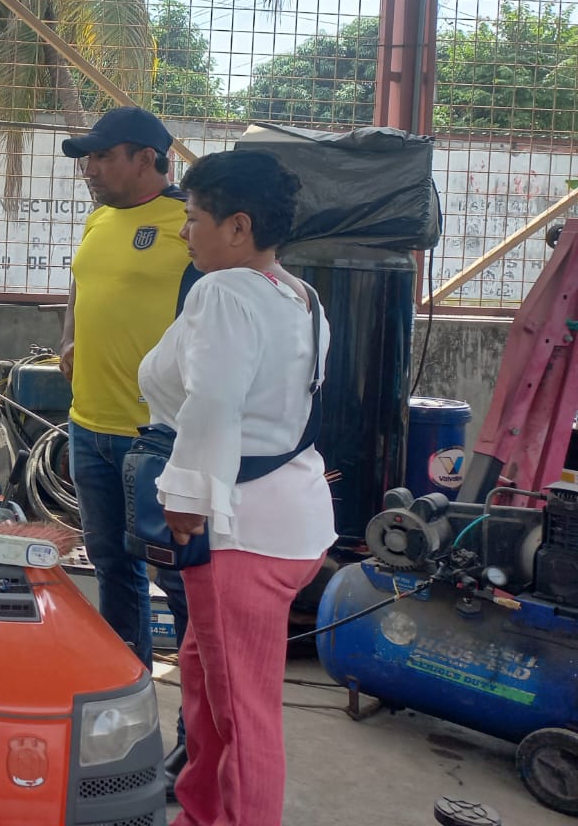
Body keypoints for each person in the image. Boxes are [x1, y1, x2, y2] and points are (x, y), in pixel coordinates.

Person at [139, 149, 334, 826]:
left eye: (194, 218)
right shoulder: (300, 297)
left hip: (238, 531)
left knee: (243, 711)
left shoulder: (223, 292)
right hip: (291, 516)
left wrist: (186, 500)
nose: (184, 232)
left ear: (239, 227)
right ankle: (200, 811)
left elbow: (215, 402)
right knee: (202, 679)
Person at [59, 105, 194, 791]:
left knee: (183, 586)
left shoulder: (191, 226)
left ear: (146, 158)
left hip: (159, 440)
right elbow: (84, 285)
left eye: (102, 156)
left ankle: (194, 738)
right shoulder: (99, 220)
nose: (90, 168)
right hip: (90, 427)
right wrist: (70, 338)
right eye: (87, 157)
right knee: (114, 571)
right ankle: (126, 717)